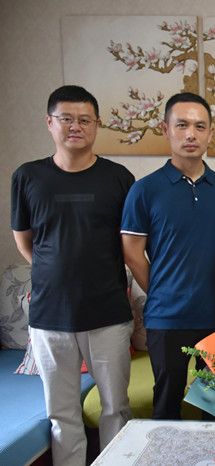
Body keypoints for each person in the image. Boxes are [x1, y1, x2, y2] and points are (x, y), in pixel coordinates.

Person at [11, 85, 135, 465]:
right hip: (50, 317)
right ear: (50, 123)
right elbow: (25, 241)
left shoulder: (119, 178)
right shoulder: (28, 176)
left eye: (84, 120)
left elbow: (129, 243)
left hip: (108, 315)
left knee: (116, 408)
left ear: (97, 125)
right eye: (66, 118)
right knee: (61, 414)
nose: (75, 126)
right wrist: (56, 272)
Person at [121, 92, 215, 420]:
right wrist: (161, 289)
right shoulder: (144, 190)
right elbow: (132, 252)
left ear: (210, 133)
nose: (191, 134)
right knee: (167, 404)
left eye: (200, 126)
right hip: (166, 318)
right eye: (182, 125)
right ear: (165, 129)